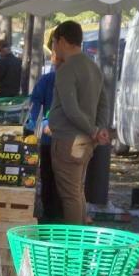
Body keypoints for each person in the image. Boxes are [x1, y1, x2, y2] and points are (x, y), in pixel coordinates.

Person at [47, 20, 112, 225]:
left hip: (68, 140)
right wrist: (98, 129)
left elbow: (70, 108)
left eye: (55, 42)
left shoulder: (66, 70)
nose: (54, 47)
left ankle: (74, 244)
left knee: (70, 195)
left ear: (63, 40)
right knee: (77, 190)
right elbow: (104, 104)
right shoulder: (93, 67)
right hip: (85, 140)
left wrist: (94, 130)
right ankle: (81, 234)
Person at [27, 46, 64, 221]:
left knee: (57, 180)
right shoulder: (48, 80)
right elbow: (34, 105)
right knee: (52, 179)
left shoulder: (52, 79)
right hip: (55, 140)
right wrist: (40, 123)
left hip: (61, 140)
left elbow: (34, 104)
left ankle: (56, 215)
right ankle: (52, 215)